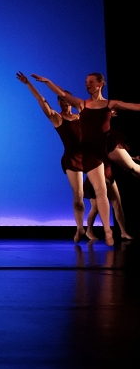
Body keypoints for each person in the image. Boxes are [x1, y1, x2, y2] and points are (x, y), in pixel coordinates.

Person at [32, 72, 140, 246]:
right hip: (87, 155)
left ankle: (114, 231)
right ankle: (96, 230)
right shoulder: (78, 107)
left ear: (100, 84)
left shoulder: (101, 107)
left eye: (90, 82)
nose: (87, 84)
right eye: (86, 82)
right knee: (93, 194)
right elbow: (59, 94)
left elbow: (133, 107)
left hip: (103, 149)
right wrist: (47, 82)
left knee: (131, 171)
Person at [16, 71, 86, 241]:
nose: (66, 102)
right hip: (73, 159)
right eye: (62, 99)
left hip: (90, 156)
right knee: (79, 195)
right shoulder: (57, 118)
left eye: (67, 99)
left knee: (101, 193)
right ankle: (80, 228)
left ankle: (95, 228)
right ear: (59, 102)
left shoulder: (81, 115)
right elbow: (42, 101)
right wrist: (28, 84)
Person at [83, 168, 132, 241]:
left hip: (108, 175)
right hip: (96, 178)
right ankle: (89, 231)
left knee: (117, 204)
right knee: (95, 208)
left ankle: (123, 232)